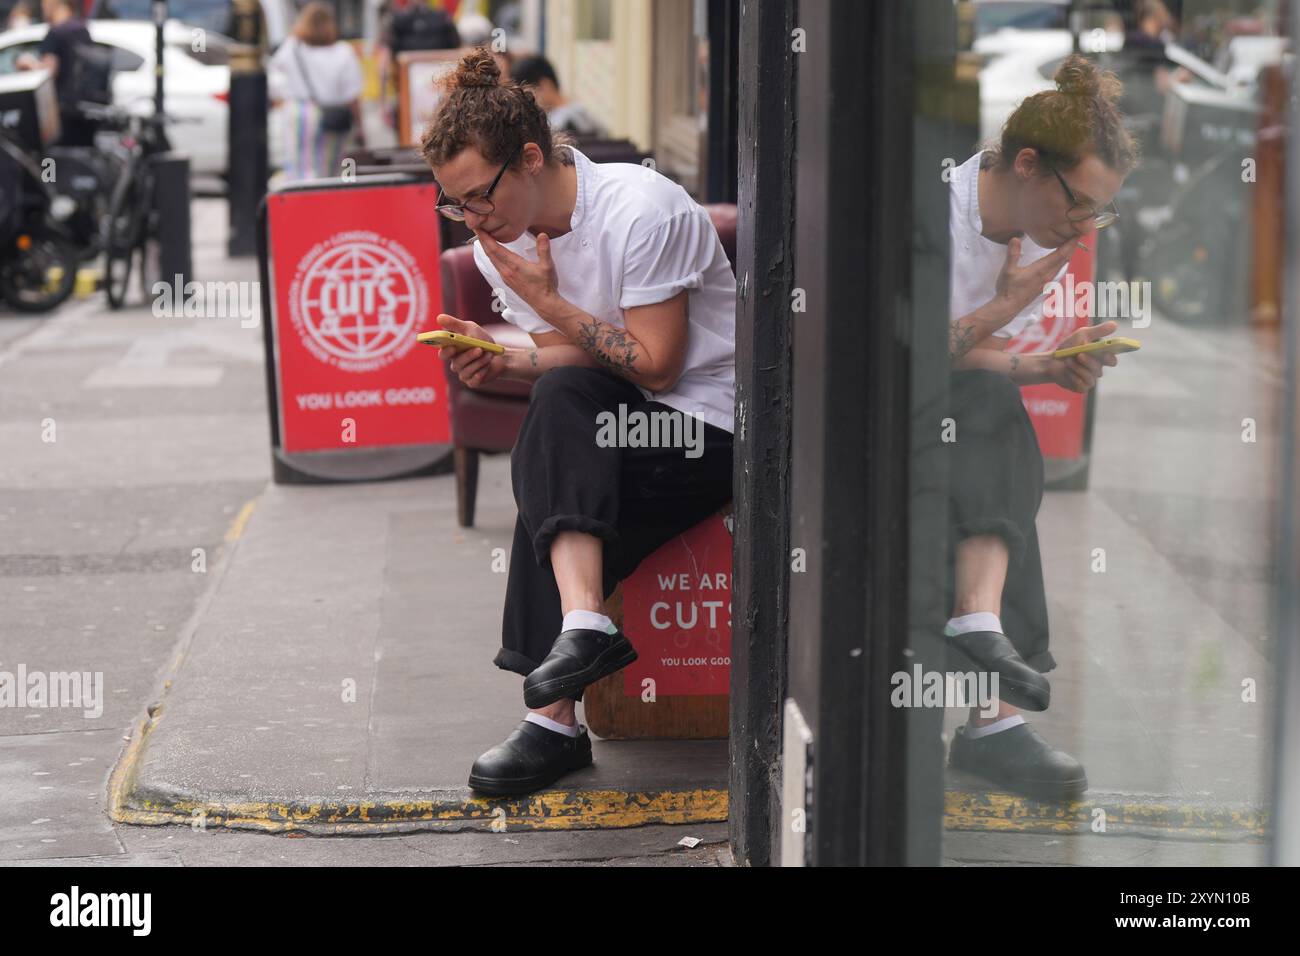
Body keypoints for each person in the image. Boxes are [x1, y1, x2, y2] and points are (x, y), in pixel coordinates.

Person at [418, 50, 736, 796]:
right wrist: (505, 362)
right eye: (454, 204)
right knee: (557, 422)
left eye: (479, 195)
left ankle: (553, 723)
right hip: (621, 420)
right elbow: (571, 360)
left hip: (709, 424)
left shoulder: (642, 210)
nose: (472, 218)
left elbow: (657, 365)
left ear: (531, 158)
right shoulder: (499, 245)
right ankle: (583, 630)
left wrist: (551, 303)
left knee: (558, 449)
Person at [943, 54, 1139, 801]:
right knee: (991, 414)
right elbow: (895, 356)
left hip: (947, 409)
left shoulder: (1040, 240)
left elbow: (972, 360)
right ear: (1027, 165)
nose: (1084, 229)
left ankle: (982, 645)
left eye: (1099, 214)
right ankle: (990, 706)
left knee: (997, 413)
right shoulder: (930, 211)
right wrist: (1005, 306)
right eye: (1080, 205)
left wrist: (1052, 365)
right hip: (855, 409)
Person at [268, 1, 365, 182]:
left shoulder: (292, 47)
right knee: (331, 170)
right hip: (334, 114)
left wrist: (281, 100)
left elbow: (273, 79)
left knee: (299, 168)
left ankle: (301, 203)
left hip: (299, 111)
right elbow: (352, 94)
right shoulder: (343, 52)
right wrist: (360, 127)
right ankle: (326, 203)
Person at [16, 0, 96, 147]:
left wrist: (29, 63)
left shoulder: (55, 33)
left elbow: (48, 74)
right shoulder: (82, 30)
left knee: (49, 165)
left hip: (56, 116)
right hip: (79, 112)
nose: (42, 5)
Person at [510, 54, 608, 137]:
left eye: (527, 94)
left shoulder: (562, 122)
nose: (525, 101)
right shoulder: (580, 111)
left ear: (545, 85)